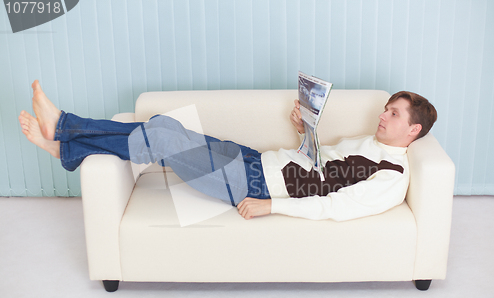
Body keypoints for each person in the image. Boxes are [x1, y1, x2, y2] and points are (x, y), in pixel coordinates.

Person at [19, 80, 437, 221]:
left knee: (161, 139)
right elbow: (319, 169)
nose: (384, 115)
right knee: (163, 125)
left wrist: (270, 206)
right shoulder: (368, 142)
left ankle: (64, 129)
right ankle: (66, 150)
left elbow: (335, 205)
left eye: (395, 114)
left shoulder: (392, 178)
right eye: (386, 108)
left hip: (253, 183)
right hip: (256, 159)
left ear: (413, 129)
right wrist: (303, 132)